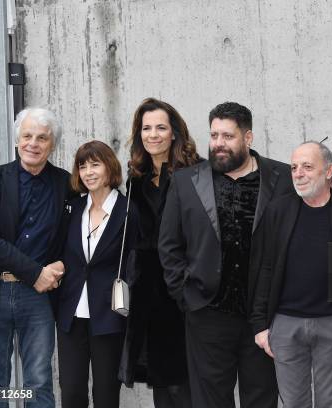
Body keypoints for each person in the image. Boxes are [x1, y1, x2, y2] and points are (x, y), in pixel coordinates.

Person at [158, 102, 294, 408]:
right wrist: (185, 294)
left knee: (261, 399)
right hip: (207, 312)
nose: (218, 143)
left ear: (248, 138)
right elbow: (169, 246)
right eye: (214, 135)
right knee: (209, 402)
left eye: (228, 136)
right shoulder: (185, 181)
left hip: (263, 317)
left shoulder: (283, 178)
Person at [250, 141, 332, 408]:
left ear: (329, 171)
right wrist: (260, 326)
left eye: (307, 166)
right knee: (293, 403)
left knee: (331, 403)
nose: (298, 173)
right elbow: (264, 267)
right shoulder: (278, 211)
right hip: (285, 325)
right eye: (293, 167)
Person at [0, 107, 71, 408]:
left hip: (38, 299)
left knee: (39, 381)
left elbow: (75, 238)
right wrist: (35, 272)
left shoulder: (66, 184)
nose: (33, 143)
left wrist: (61, 265)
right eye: (27, 136)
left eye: (42, 138)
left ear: (52, 144)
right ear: (17, 140)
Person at [118, 98, 199, 407]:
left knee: (183, 384)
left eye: (161, 128)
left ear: (174, 133)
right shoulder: (135, 178)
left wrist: (190, 284)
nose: (153, 135)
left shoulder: (196, 172)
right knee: (161, 385)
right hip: (147, 293)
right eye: (146, 128)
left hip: (182, 292)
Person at [56, 140, 138, 408]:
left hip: (109, 314)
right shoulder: (73, 208)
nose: (88, 172)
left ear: (109, 167)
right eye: (82, 166)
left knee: (105, 395)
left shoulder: (128, 210)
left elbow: (135, 262)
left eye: (95, 164)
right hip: (72, 314)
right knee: (71, 393)